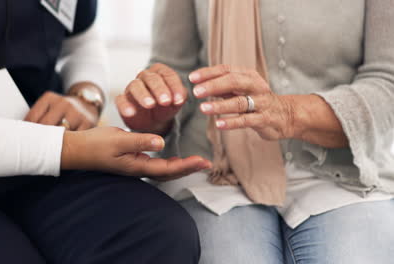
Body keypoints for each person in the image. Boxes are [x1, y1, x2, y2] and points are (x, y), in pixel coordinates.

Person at [0, 1, 212, 263]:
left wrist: (86, 96)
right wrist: (69, 148)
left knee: (159, 233)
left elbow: (81, 40)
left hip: (47, 160)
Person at [116, 0, 394, 263]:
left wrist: (289, 114)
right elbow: (175, 69)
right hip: (215, 173)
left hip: (347, 173)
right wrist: (157, 111)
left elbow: (388, 81)